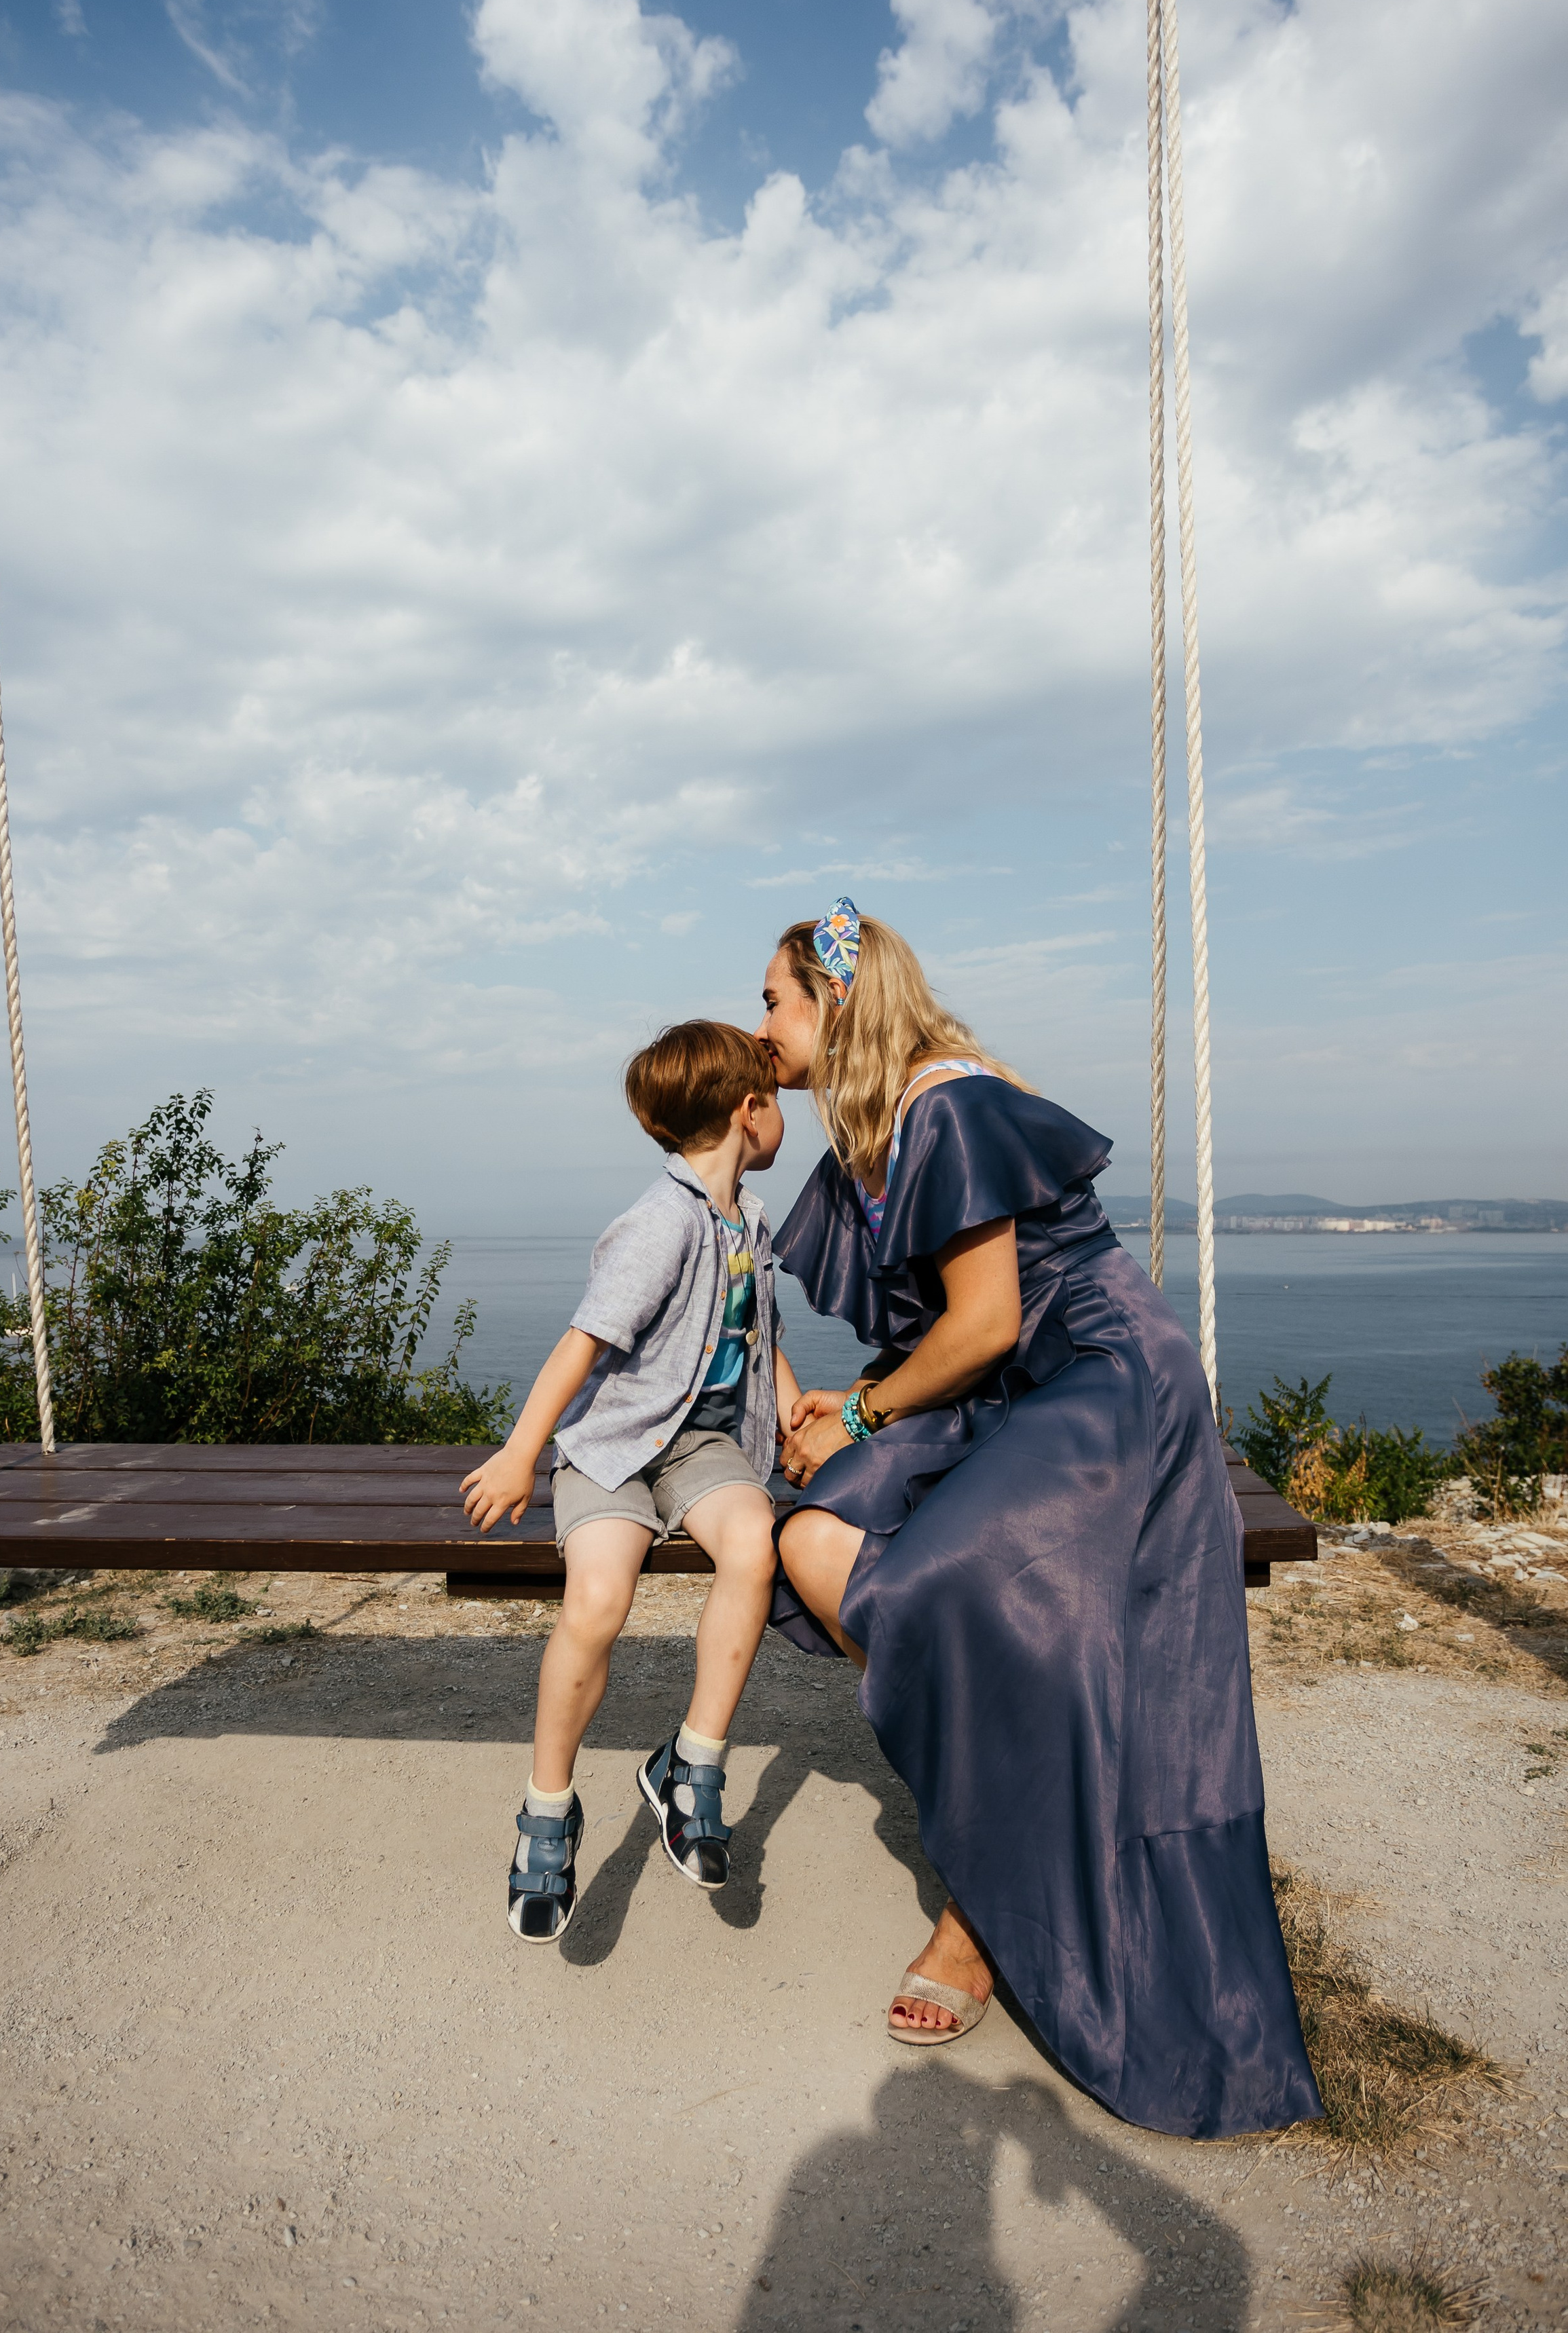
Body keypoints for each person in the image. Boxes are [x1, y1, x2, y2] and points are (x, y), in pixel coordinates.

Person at [759, 899, 1322, 2140]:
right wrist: (837, 1413)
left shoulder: (942, 1103)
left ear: (834, 1004)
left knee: (948, 1582)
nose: (764, 1025)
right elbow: (925, 1335)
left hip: (1102, 1381)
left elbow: (987, 1322)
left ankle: (978, 1904)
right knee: (808, 1537)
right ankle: (1013, 1784)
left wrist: (858, 1416)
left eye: (775, 1001)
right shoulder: (871, 1123)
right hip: (1011, 1396)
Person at [462, 1019, 799, 1944]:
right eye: (776, 1103)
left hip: (700, 1449)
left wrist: (797, 1414)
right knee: (599, 1602)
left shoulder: (748, 1220)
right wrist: (523, 1451)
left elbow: (756, 1335)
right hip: (612, 1449)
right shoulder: (663, 1223)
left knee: (754, 1545)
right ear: (749, 1109)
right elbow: (584, 1346)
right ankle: (547, 1808)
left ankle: (691, 1766)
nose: (785, 1119)